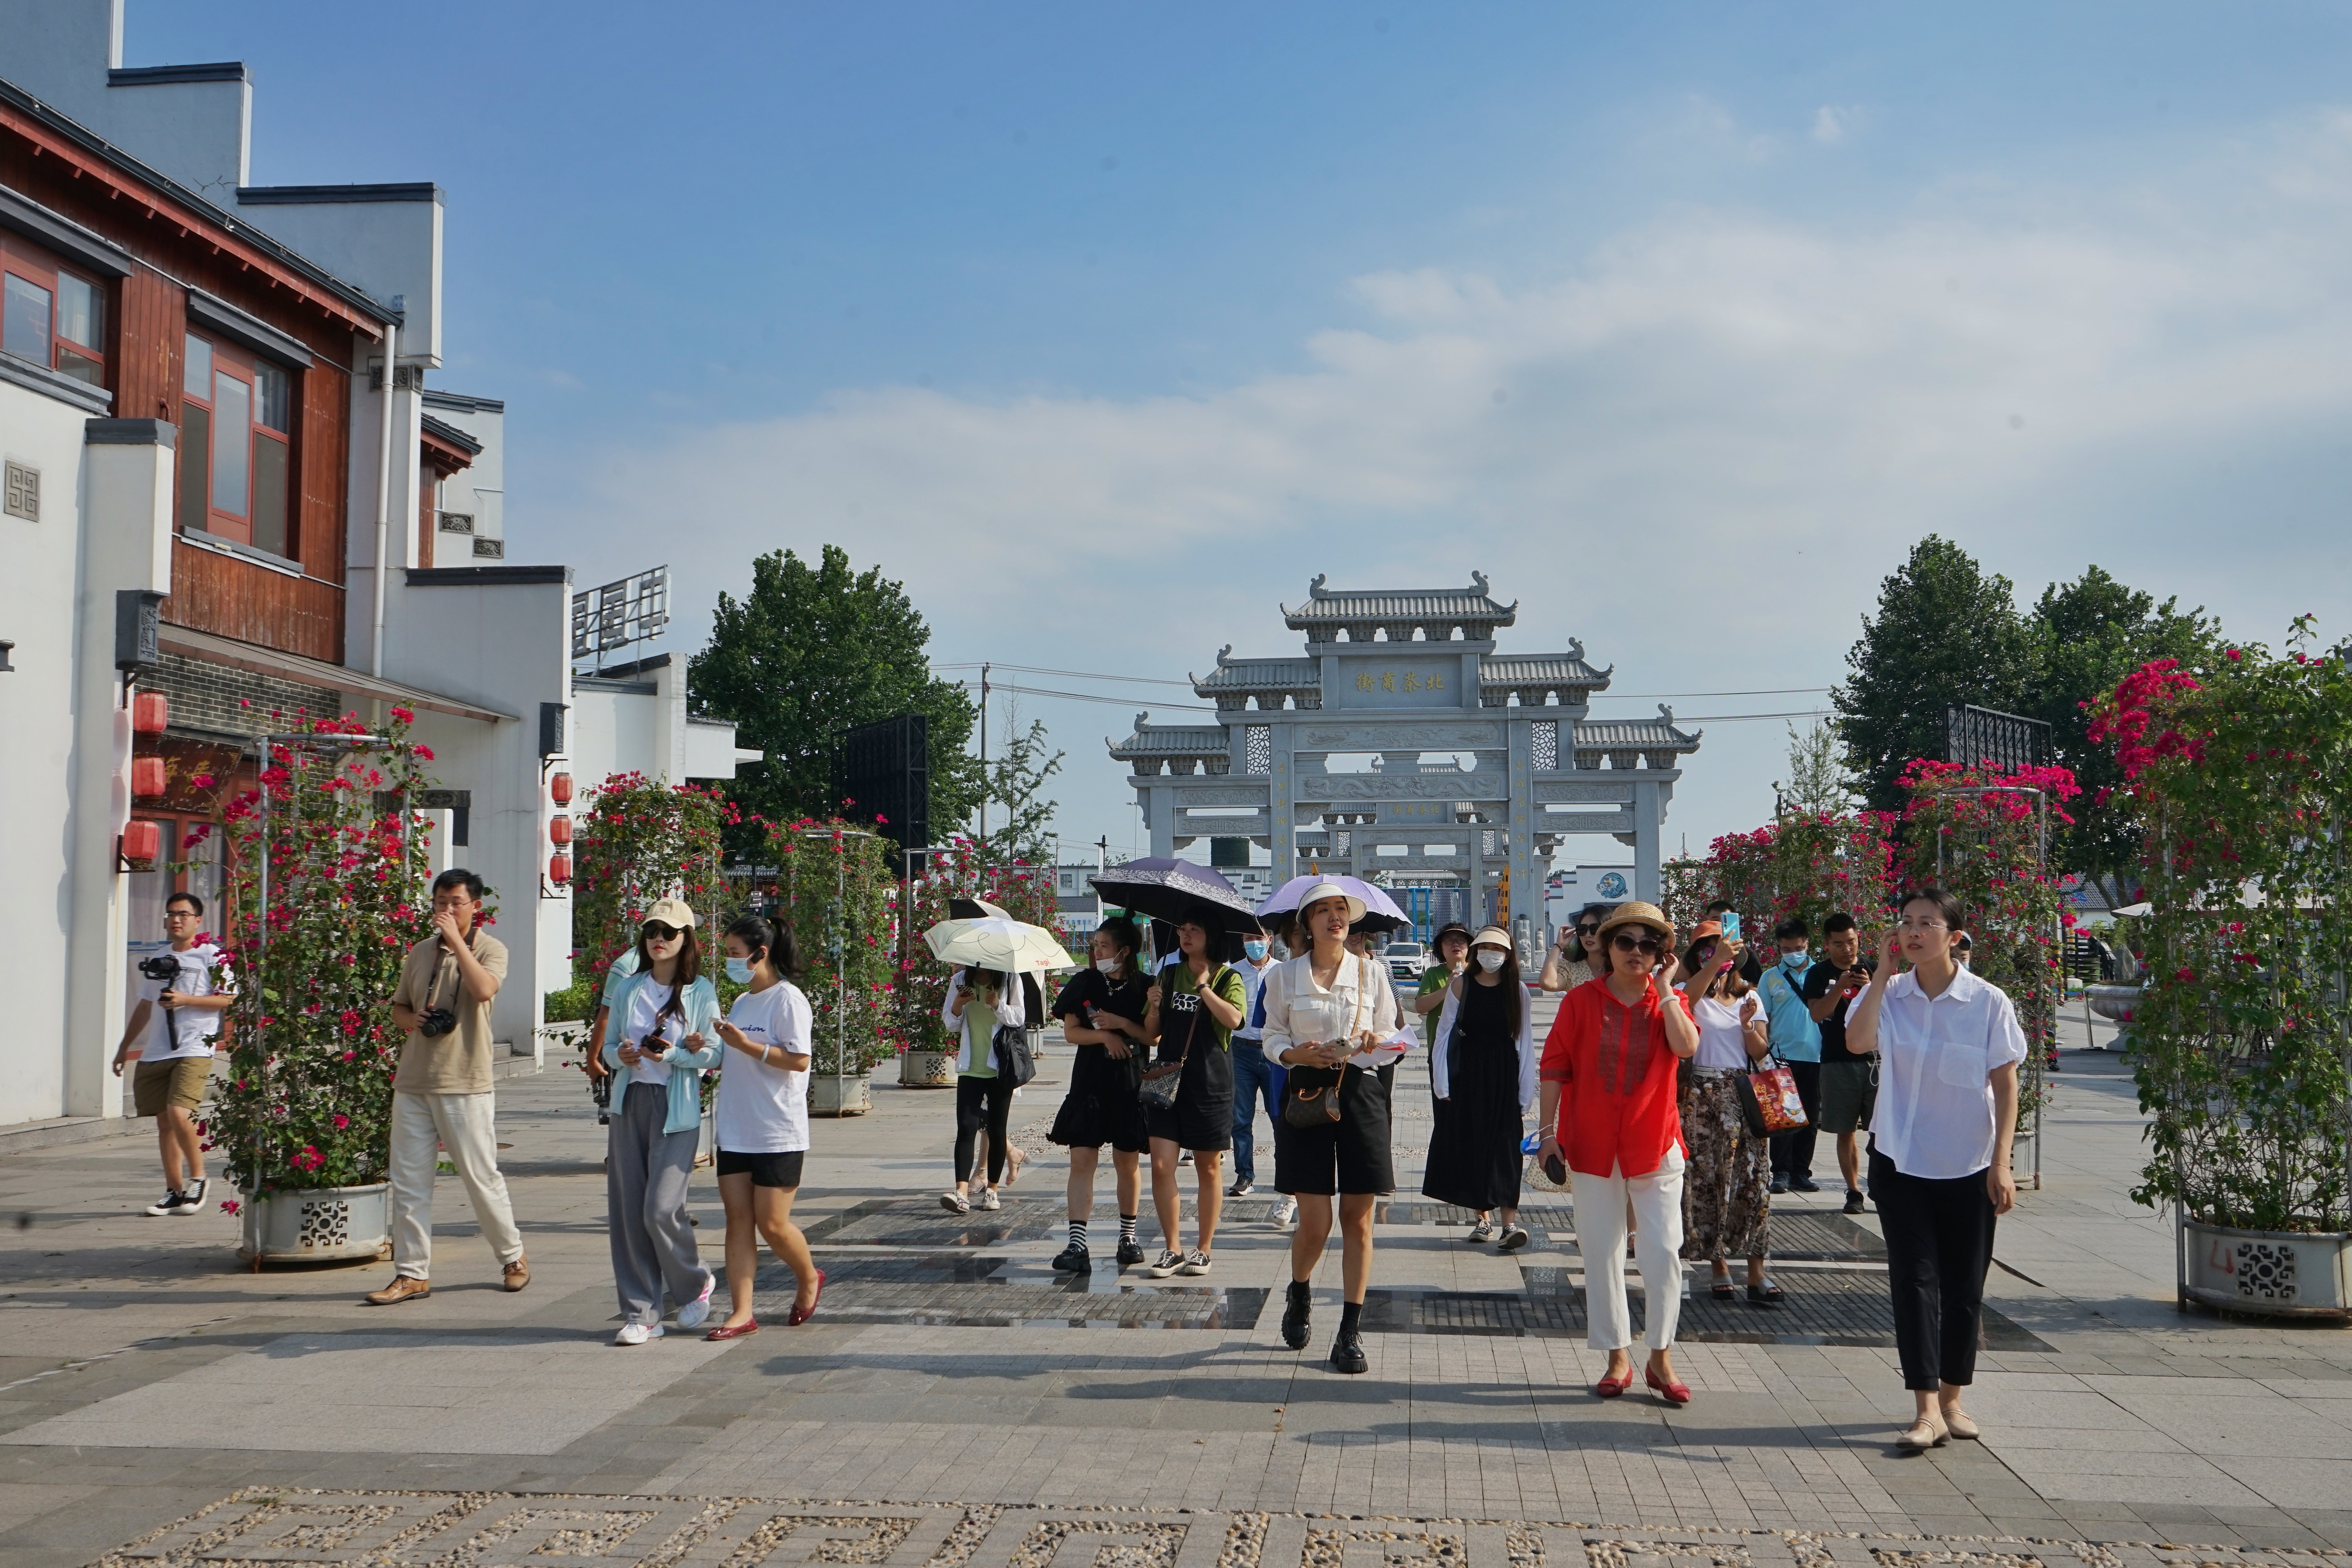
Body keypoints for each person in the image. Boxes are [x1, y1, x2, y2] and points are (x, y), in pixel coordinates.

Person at [1844, 886, 2025, 1450]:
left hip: (1970, 1165)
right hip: (1900, 1160)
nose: (1913, 932)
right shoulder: (1889, 994)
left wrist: (2002, 1163)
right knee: (1914, 1282)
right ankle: (1925, 1409)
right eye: (1905, 923)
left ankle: (1953, 1398)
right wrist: (1879, 973)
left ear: (1955, 935)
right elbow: (1857, 1041)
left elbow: (2006, 1083)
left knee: (1964, 1286)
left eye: (1927, 923)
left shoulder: (1988, 1002)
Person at [1537, 900, 1700, 1404]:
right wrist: (1547, 1132)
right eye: (1625, 942)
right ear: (1607, 948)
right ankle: (1616, 1355)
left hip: (1656, 1142)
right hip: (1590, 1142)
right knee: (1601, 1250)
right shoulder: (1581, 1001)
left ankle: (1661, 1355)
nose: (1636, 951)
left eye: (1648, 944)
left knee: (1663, 1250)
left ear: (1661, 954)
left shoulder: (1669, 1001)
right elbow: (1554, 1068)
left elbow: (1688, 1047)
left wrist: (1669, 991)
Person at [1261, 882, 1406, 1374]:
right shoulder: (1284, 975)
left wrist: (1373, 1040)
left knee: (1358, 1220)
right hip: (1305, 1093)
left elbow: (1391, 1035)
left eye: (1340, 909)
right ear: (1307, 922)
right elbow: (1272, 1033)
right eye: (1321, 910)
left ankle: (1349, 1330)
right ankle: (1299, 1290)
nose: (1333, 917)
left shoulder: (1372, 972)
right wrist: (1294, 1053)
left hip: (1361, 1092)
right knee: (1317, 1223)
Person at [367, 869, 526, 1305]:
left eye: (456, 902)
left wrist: (457, 942)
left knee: (480, 1176)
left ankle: (512, 1256)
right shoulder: (419, 953)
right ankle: (412, 1272)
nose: (447, 910)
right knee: (410, 1180)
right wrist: (411, 1020)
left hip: (465, 1082)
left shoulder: (492, 949)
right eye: (440, 902)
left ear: (476, 906)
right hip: (414, 1080)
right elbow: (399, 1008)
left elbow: (483, 988)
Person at [599, 898, 723, 1344]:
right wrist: (623, 1055)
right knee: (629, 1212)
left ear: (686, 939)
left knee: (660, 1208)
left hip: (678, 1109)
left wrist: (676, 1053)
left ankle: (694, 1282)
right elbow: (609, 1048)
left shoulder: (700, 990)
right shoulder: (630, 987)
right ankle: (642, 1313)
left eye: (669, 932)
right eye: (653, 930)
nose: (659, 939)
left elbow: (715, 1052)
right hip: (630, 1102)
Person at [703, 915, 822, 1339]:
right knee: (738, 1220)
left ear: (761, 953)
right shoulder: (740, 1002)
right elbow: (732, 1057)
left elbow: (799, 1060)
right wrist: (711, 1048)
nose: (731, 961)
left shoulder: (789, 1000)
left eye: (736, 954)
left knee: (772, 1224)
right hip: (737, 1127)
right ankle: (741, 1311)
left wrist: (745, 1045)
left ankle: (809, 1276)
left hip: (777, 1129)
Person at [112, 891, 235, 1216]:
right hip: (156, 1049)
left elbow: (228, 1000)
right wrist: (124, 1049)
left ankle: (199, 1179)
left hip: (195, 1046)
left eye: (182, 914)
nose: (175, 920)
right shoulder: (159, 955)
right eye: (170, 914)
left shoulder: (213, 956)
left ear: (198, 920)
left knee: (179, 1113)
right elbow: (144, 1006)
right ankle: (174, 1191)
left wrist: (185, 1000)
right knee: (165, 1122)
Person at [1675, 922, 1778, 1304]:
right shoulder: (1692, 993)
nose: (1714, 954)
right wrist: (1711, 965)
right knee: (1709, 1180)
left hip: (1743, 1095)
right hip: (1702, 1098)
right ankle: (1718, 1263)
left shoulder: (1749, 995)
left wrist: (1748, 1024)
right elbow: (1685, 1002)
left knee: (1754, 1181)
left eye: (1721, 948)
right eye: (1705, 948)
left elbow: (1759, 1053)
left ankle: (1757, 1272)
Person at [1140, 917, 1245, 1275]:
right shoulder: (1168, 975)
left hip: (1210, 1083)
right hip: (1168, 1082)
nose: (1185, 935)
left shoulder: (1228, 978)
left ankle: (1204, 1248)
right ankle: (1173, 1247)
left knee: (1208, 1167)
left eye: (1194, 930)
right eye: (1183, 930)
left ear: (1210, 936)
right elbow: (1152, 1034)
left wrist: (1205, 989)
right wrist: (1154, 1006)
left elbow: (1234, 1020)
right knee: (1160, 1165)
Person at [1047, 917, 1152, 1274]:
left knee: (1128, 1163)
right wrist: (1105, 1038)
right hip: (1090, 1084)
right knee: (1082, 1162)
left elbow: (1153, 1038)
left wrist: (1121, 1026)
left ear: (1125, 951)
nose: (1097, 952)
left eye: (1104, 946)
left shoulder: (1146, 986)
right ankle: (1078, 1244)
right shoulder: (1086, 982)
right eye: (1095, 945)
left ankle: (1128, 1237)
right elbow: (1072, 1033)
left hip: (1130, 1085)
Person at [1423, 926, 1537, 1249]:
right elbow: (1443, 1034)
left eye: (1496, 948)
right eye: (1484, 947)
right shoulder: (1461, 985)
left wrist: (1525, 1092)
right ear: (1475, 952)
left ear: (1509, 953)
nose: (1490, 954)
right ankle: (1482, 1220)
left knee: (1505, 1147)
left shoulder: (1518, 990)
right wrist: (1442, 1082)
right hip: (1468, 1074)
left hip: (1503, 1073)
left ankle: (1509, 1224)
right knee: (1473, 1143)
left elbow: (1525, 1042)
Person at [1804, 913, 1878, 1214]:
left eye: (1852, 942)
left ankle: (1882, 1186)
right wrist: (1839, 987)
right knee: (1844, 1130)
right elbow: (1817, 1015)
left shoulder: (1874, 969)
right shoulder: (1818, 974)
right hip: (1837, 1062)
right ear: (1827, 944)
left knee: (1882, 1130)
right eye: (1839, 944)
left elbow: (1893, 1011)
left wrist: (1871, 986)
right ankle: (1853, 1191)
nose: (1847, 949)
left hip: (1876, 1062)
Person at [941, 964, 1024, 1214]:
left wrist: (998, 1005)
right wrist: (958, 1005)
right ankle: (962, 1193)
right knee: (966, 1128)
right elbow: (950, 1023)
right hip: (970, 1067)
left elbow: (1020, 1018)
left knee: (998, 1130)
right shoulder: (959, 980)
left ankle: (992, 1190)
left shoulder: (1010, 980)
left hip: (1000, 1067)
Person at [1756, 916, 1822, 1194]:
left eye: (1797, 947)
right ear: (1778, 949)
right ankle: (1780, 1172)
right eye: (1786, 949)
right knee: (1783, 1118)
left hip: (1817, 1056)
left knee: (1809, 1117)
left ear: (1807, 944)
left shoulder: (1821, 974)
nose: (1793, 954)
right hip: (1781, 1056)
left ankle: (1801, 1172)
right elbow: (1764, 1019)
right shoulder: (1770, 977)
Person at [1226, 924, 1280, 1198]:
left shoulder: (1282, 971)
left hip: (1275, 1052)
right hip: (1241, 1050)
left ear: (1269, 941)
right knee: (1240, 1118)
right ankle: (1244, 1175)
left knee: (1279, 1116)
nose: (1254, 943)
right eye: (1248, 939)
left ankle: (1285, 1174)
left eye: (1258, 938)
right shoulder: (1232, 971)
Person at [1408, 923, 1472, 1047]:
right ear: (1440, 948)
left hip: (1472, 1046)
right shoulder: (1433, 974)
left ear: (1469, 946)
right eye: (1449, 941)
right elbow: (1420, 1007)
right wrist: (1447, 989)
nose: (1455, 944)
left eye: (1461, 940)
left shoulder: (1478, 973)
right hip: (1440, 1046)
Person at [1537, 904, 1611, 993]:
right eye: (1582, 929)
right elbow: (1547, 983)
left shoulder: (1621, 969)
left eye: (1595, 929)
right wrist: (1558, 947)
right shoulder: (1572, 970)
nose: (1588, 935)